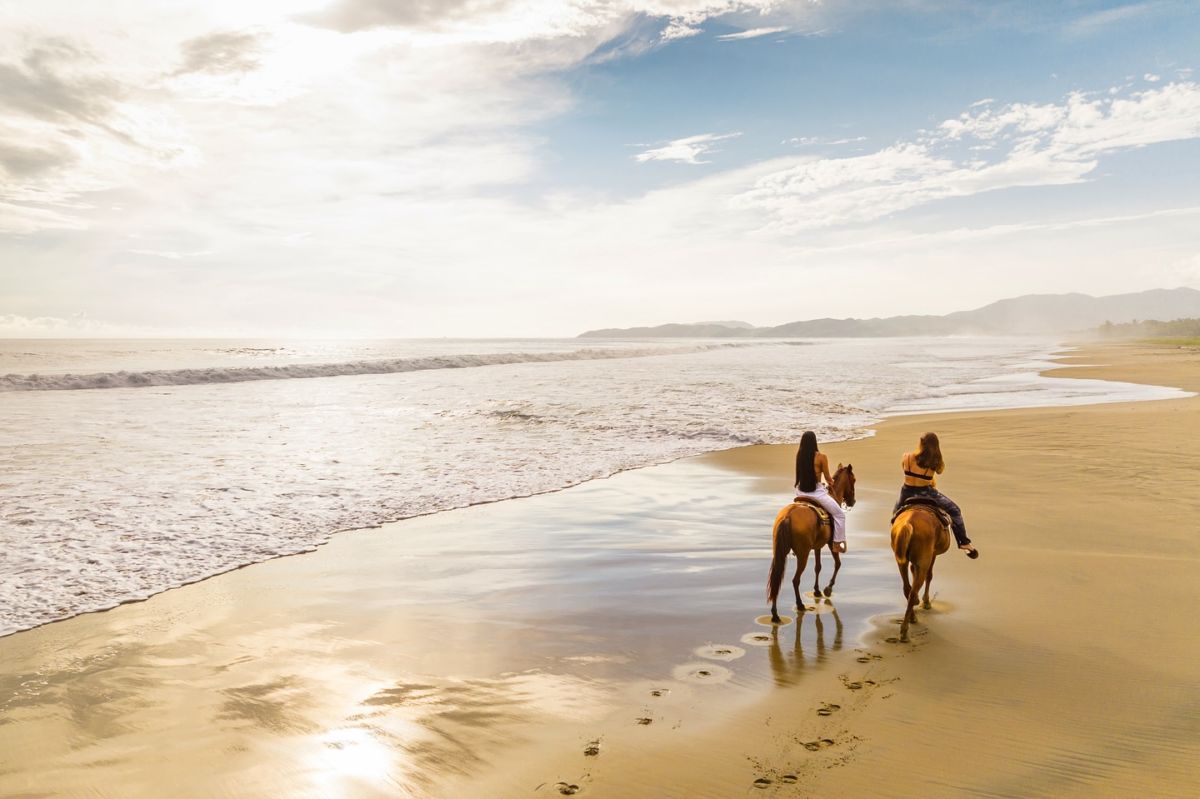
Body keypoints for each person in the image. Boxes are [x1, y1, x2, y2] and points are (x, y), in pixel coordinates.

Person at [895, 432, 978, 558]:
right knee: (955, 511)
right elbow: (938, 472)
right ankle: (964, 543)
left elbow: (905, 469)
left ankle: (896, 538)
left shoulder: (906, 457)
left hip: (907, 492)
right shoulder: (934, 462)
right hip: (927, 493)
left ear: (920, 443)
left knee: (896, 514)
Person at [793, 430, 847, 553]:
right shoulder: (821, 457)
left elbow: (799, 475)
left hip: (800, 491)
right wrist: (832, 483)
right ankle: (837, 544)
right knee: (840, 515)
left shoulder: (799, 455)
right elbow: (828, 479)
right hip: (816, 493)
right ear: (814, 442)